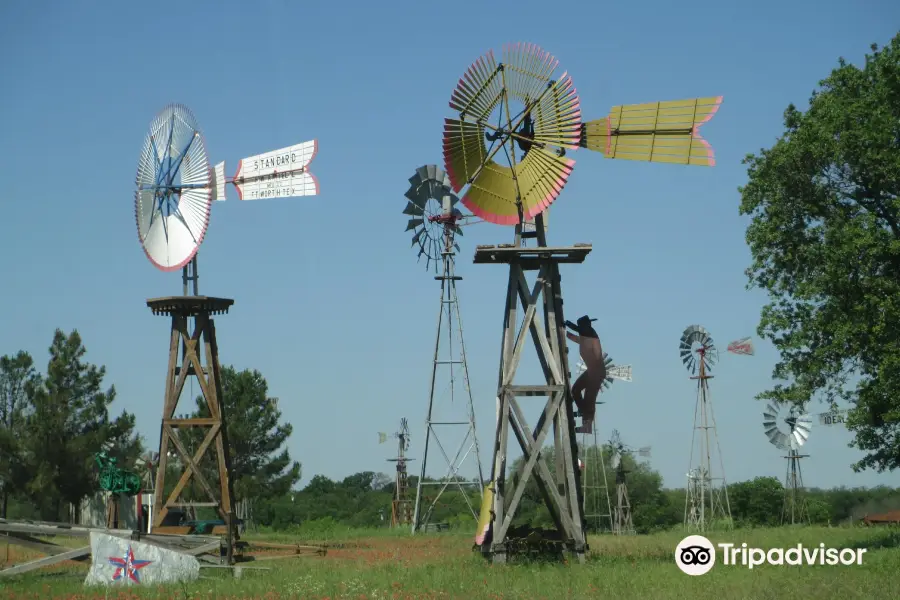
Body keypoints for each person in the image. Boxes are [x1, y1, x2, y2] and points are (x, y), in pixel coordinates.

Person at [565, 315, 606, 434]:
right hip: (592, 371)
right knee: (576, 390)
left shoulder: (593, 337)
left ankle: (587, 424)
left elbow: (581, 332)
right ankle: (584, 412)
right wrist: (564, 330)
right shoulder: (584, 338)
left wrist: (569, 324)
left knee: (589, 399)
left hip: (596, 372)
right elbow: (574, 337)